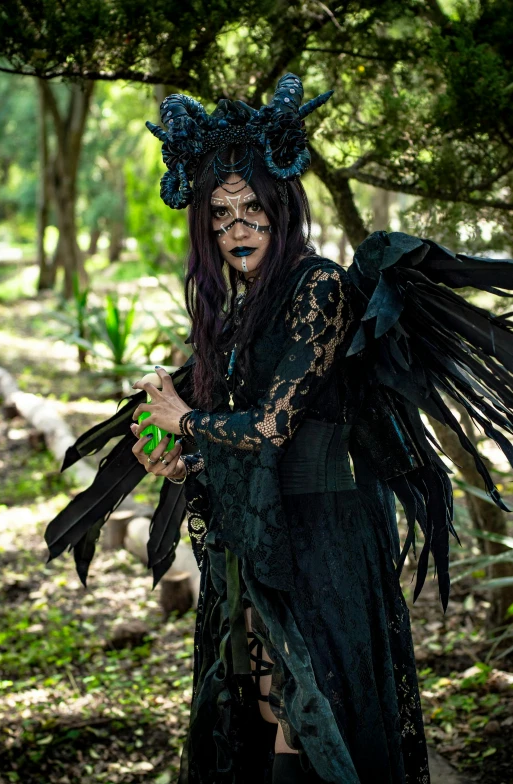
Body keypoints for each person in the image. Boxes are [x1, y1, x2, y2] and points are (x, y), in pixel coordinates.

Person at [45, 73, 513, 784]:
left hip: (321, 539)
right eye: (221, 213)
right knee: (262, 710)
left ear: (282, 210)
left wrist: (187, 419)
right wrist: (184, 462)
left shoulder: (316, 287)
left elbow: (270, 428)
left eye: (253, 209)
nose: (237, 228)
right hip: (260, 535)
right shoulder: (235, 311)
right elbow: (238, 444)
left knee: (310, 717)